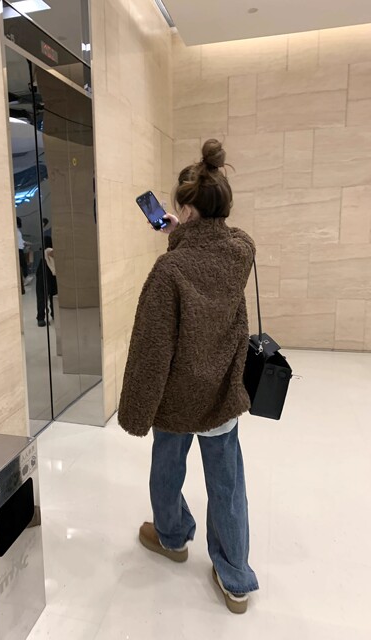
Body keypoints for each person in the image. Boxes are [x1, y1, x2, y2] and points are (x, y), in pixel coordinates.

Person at [118, 139, 258, 614]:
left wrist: (136, 411)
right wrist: (189, 231)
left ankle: (173, 537)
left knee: (167, 467)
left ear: (185, 210)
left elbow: (151, 350)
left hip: (177, 398)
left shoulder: (170, 269)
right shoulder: (239, 254)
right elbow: (231, 239)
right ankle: (235, 577)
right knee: (227, 484)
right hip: (221, 394)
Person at [36, 236, 58, 327]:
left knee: (42, 297)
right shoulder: (48, 250)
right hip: (49, 274)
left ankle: (41, 318)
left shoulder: (44, 253)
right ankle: (53, 315)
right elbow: (53, 252)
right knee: (52, 295)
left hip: (43, 273)